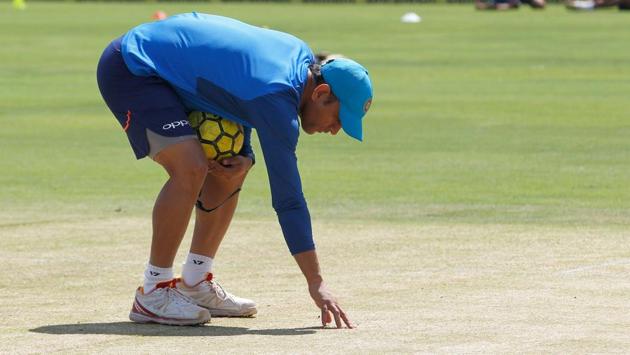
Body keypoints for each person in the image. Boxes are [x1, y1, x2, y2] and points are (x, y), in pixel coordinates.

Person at [96, 12, 372, 328]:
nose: (336, 130)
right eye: (339, 119)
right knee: (190, 168)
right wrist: (316, 282)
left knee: (234, 164)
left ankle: (196, 281)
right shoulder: (278, 98)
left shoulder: (300, 60)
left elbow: (240, 89)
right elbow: (288, 200)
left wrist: (248, 155)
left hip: (168, 66)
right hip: (133, 66)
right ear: (321, 94)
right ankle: (153, 291)